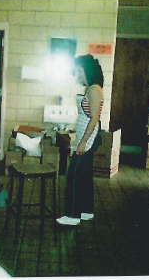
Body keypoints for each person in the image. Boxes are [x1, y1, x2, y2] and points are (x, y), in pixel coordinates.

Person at [56, 55, 104, 226]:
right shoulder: (90, 88)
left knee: (73, 175)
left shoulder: (94, 90)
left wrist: (83, 142)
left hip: (88, 138)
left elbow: (94, 119)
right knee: (84, 175)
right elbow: (87, 117)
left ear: (87, 71)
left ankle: (72, 215)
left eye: (78, 71)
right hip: (86, 135)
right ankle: (86, 211)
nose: (76, 74)